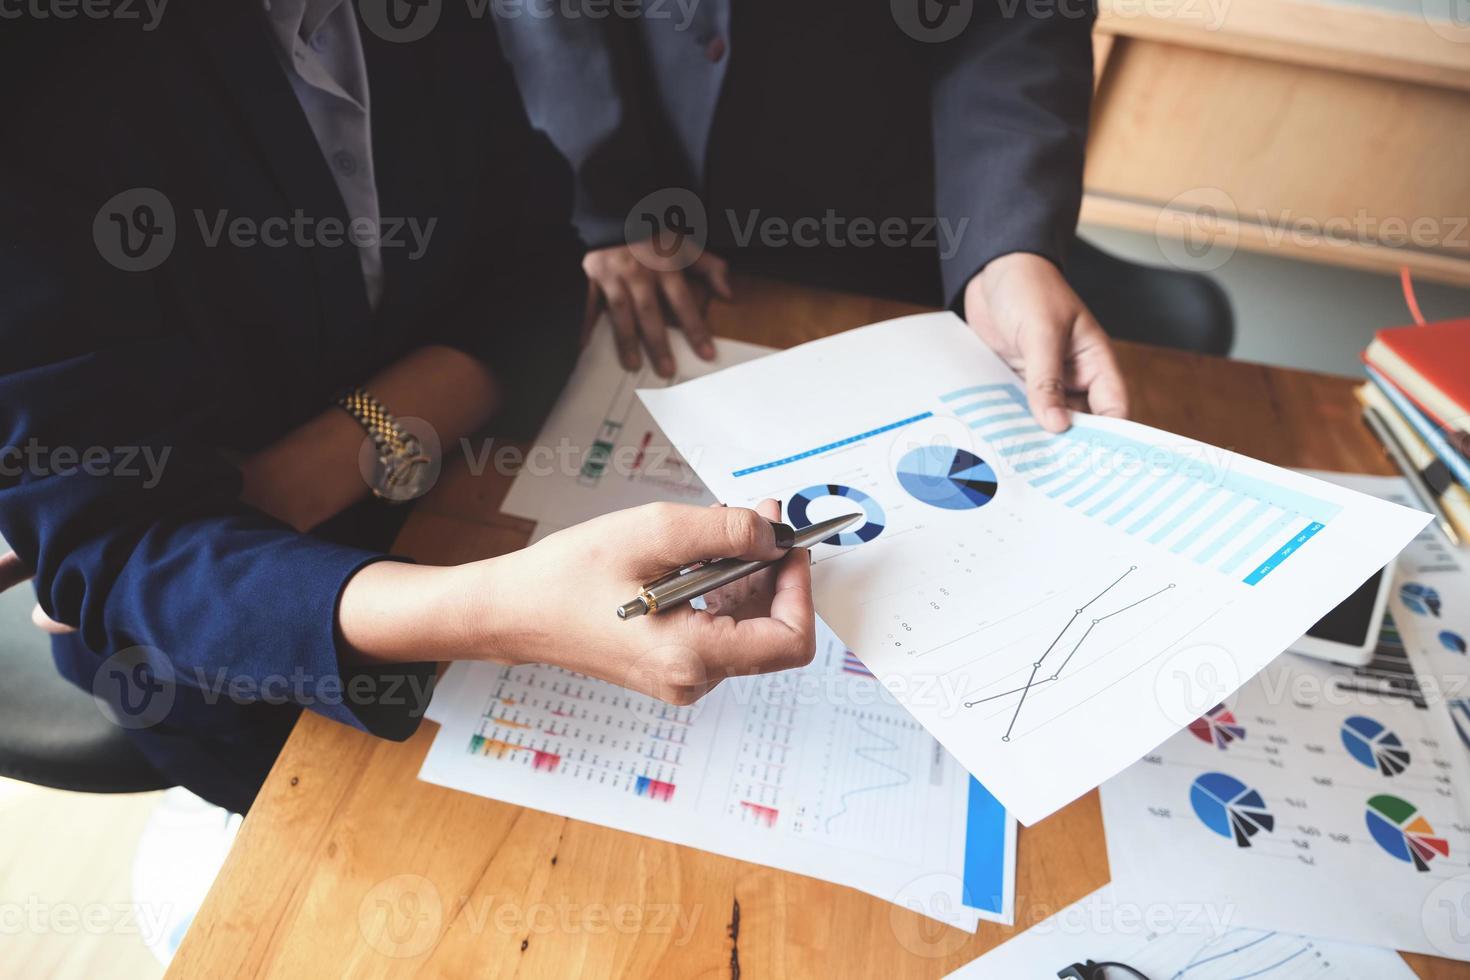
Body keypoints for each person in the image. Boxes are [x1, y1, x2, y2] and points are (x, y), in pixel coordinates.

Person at [0, 5, 814, 815]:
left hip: (451, 504)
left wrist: (295, 480)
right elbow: (132, 557)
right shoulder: (43, 84)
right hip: (252, 666)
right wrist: (499, 610)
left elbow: (533, 274)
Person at [495, 0, 1129, 433]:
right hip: (636, 215)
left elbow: (1015, 19)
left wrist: (1005, 249)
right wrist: (608, 197)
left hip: (882, 223)